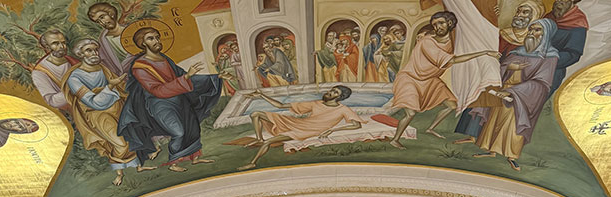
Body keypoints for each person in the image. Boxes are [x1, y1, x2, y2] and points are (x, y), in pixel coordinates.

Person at [118, 26, 222, 172]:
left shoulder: (164, 58)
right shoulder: (140, 67)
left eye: (157, 37)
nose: (157, 41)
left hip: (179, 99)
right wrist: (186, 77)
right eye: (151, 38)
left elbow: (182, 75)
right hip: (160, 103)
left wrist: (215, 78)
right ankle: (174, 162)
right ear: (143, 43)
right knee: (178, 132)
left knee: (192, 127)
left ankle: (195, 157)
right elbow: (157, 90)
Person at [387, 13, 499, 144]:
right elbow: (453, 60)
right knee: (410, 113)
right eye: (434, 24)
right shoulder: (427, 42)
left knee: (452, 106)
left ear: (450, 23)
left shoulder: (454, 41)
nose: (437, 27)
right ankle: (395, 140)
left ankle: (430, 128)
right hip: (410, 79)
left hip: (430, 79)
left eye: (441, 23)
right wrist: (484, 53)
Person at [64, 38, 154, 186]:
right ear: (80, 54)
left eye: (95, 50)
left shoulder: (102, 68)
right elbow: (94, 102)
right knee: (119, 143)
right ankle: (119, 173)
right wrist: (110, 87)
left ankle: (138, 166)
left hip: (117, 107)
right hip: (97, 114)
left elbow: (119, 87)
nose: (94, 53)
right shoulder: (74, 78)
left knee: (130, 138)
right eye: (88, 50)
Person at [472, 19, 559, 171]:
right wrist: (509, 67)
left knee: (515, 124)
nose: (531, 33)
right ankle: (490, 149)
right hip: (503, 91)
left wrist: (514, 91)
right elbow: (501, 68)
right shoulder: (517, 51)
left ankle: (511, 156)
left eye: (537, 30)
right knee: (494, 121)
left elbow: (542, 83)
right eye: (531, 29)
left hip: (522, 97)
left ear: (546, 34)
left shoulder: (550, 56)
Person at [238, 84, 363, 170]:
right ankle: (259, 138)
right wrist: (262, 95)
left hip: (307, 131)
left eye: (335, 92)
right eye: (332, 90)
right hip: (298, 123)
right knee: (255, 114)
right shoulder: (316, 103)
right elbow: (281, 106)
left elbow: (357, 125)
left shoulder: (343, 109)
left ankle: (252, 163)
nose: (330, 92)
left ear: (340, 97)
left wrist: (331, 130)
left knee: (269, 141)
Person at [32, 29, 78, 114]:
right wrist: (75, 90)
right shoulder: (40, 72)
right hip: (71, 112)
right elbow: (52, 101)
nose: (62, 46)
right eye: (55, 43)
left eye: (63, 43)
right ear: (47, 46)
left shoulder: (74, 62)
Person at [87, 2, 134, 75]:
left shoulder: (132, 31)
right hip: (120, 76)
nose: (102, 22)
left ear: (111, 14)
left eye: (102, 17)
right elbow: (104, 63)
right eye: (98, 21)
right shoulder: (103, 41)